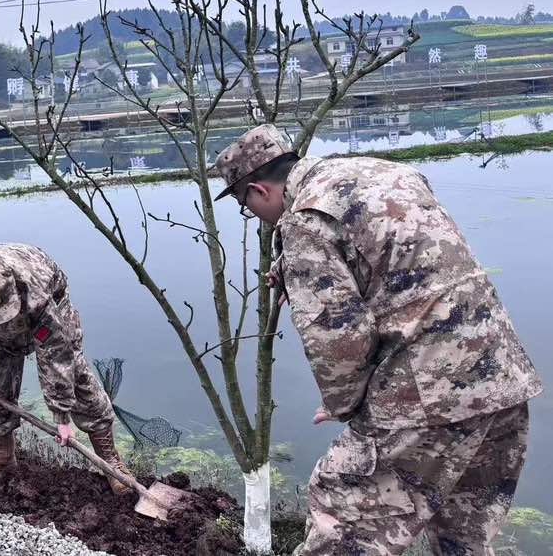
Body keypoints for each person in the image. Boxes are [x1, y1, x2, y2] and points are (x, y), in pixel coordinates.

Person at [214, 124, 542, 556]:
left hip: (429, 391)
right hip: (501, 377)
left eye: (246, 206)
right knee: (463, 536)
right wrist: (293, 266)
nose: (254, 215)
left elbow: (337, 337)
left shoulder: (304, 220)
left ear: (259, 190)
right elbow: (396, 254)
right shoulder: (385, 172)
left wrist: (344, 404)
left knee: (342, 511)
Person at [0, 243, 131, 493]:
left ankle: (110, 461)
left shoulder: (35, 293)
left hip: (53, 300)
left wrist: (61, 416)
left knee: (76, 375)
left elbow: (56, 355)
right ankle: (3, 451)